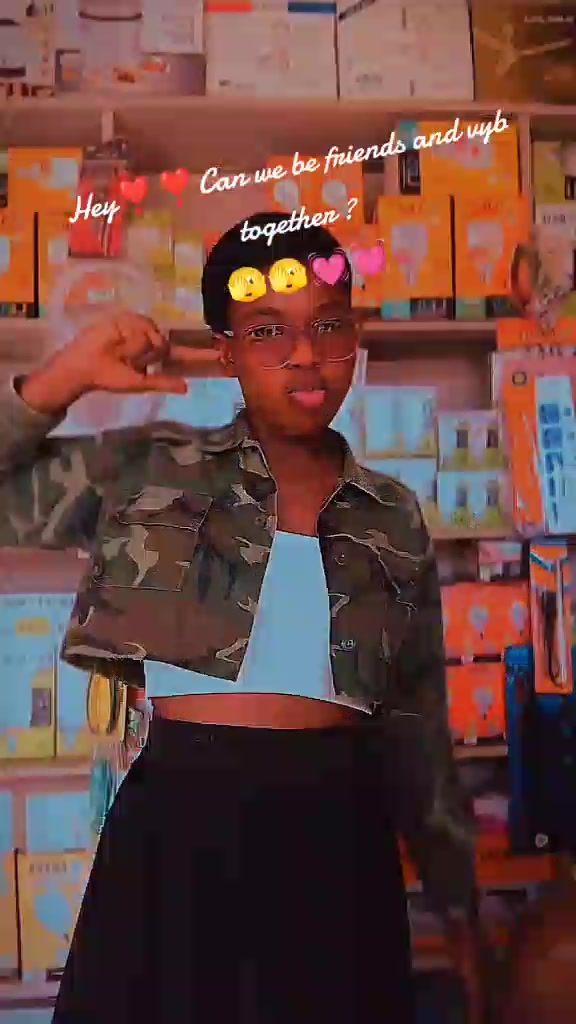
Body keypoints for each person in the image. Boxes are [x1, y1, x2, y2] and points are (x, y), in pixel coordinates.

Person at [0, 213, 486, 1023]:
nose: (304, 354)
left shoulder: (393, 514)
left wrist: (459, 905)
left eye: (328, 325)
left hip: (338, 840)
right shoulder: (151, 470)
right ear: (225, 351)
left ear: (356, 336)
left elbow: (417, 725)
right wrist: (66, 377)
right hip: (180, 834)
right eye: (267, 331)